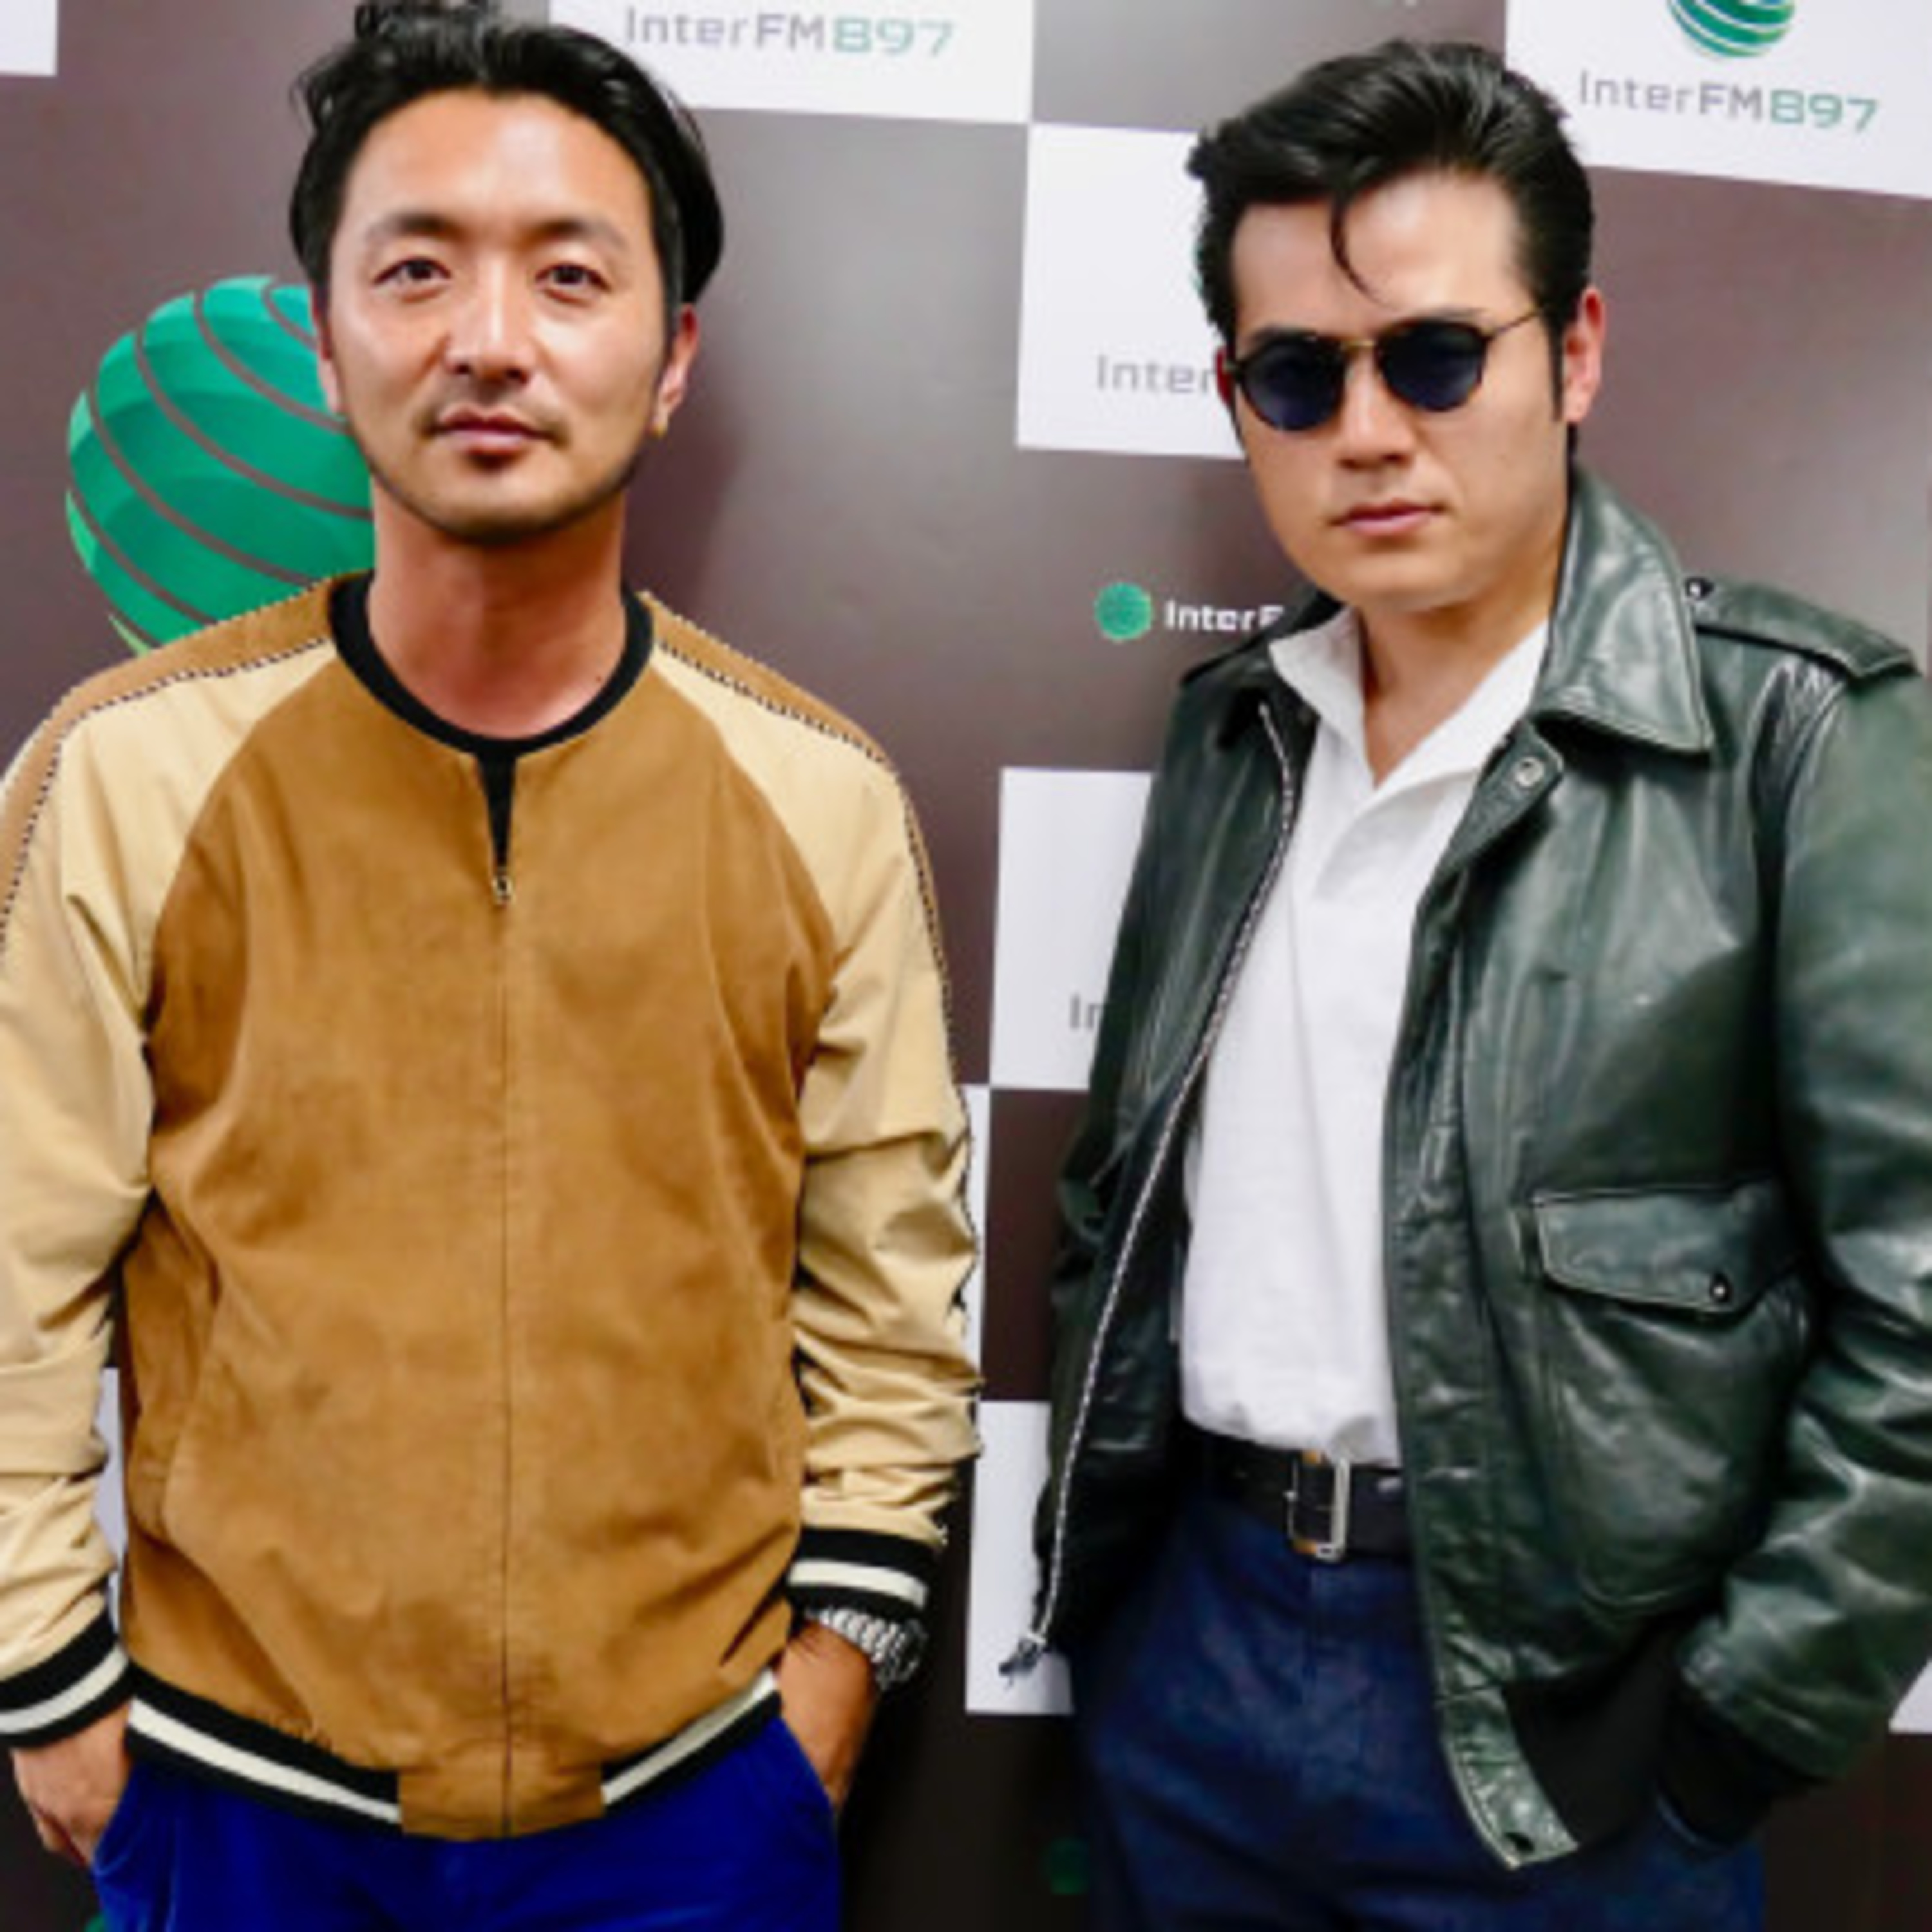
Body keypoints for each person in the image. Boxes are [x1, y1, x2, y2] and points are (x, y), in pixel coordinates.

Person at [0, 4, 976, 1926]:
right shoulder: (121, 774)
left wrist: (831, 1688)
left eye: (569, 274)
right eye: (419, 269)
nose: (491, 339)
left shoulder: (823, 796)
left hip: (700, 1810)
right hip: (232, 1805)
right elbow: (14, 1278)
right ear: (324, 337)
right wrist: (49, 1692)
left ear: (673, 357)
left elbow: (892, 1303)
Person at [1021, 36, 1932, 1931]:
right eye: (1298, 375)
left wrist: (1734, 1727)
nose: (1367, 431)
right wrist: (1125, 1617)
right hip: (1196, 1661)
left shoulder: (1796, 736)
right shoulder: (1231, 732)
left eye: (1435, 357)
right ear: (1237, 398)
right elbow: (1125, 1195)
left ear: (1574, 353)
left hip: (1577, 1729)